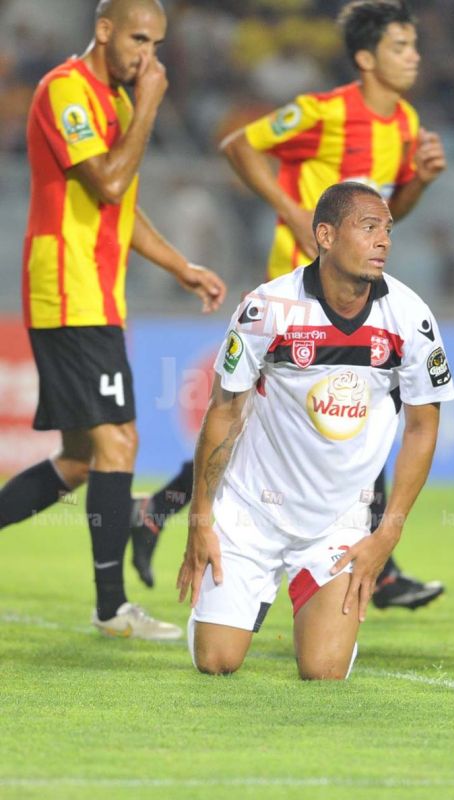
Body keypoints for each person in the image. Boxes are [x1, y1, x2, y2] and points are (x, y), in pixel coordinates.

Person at [0, 0, 226, 640]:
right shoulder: (65, 91)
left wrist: (181, 266)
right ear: (103, 30)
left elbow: (121, 207)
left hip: (95, 294)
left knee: (79, 460)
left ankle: (110, 608)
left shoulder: (120, 103)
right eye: (137, 39)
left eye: (155, 45)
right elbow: (107, 181)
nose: (146, 57)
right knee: (119, 441)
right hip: (68, 290)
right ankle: (111, 609)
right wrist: (149, 103)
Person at [218, 0, 447, 611]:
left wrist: (420, 180)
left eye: (414, 45)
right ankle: (182, 520)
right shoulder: (323, 112)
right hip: (296, 293)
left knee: (349, 414)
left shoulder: (405, 122)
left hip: (353, 293)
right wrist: (293, 212)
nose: (414, 57)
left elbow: (388, 215)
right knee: (271, 420)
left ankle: (158, 513)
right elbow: (239, 145)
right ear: (366, 58)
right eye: (401, 46)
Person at [177, 182, 454, 680]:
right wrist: (201, 518)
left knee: (323, 671)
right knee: (217, 661)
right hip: (251, 509)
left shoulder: (410, 316)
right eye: (368, 227)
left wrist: (387, 531)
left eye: (387, 229)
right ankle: (239, 603)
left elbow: (421, 428)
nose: (384, 241)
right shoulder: (267, 308)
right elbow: (223, 411)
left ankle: (312, 607)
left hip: (339, 521)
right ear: (325, 236)